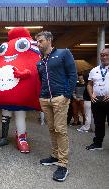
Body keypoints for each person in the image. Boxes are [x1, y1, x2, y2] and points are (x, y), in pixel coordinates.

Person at [36, 31, 77, 182]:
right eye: (37, 42)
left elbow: (72, 74)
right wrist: (42, 96)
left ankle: (63, 164)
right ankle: (54, 156)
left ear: (49, 40)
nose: (39, 44)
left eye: (41, 41)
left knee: (60, 130)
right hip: (45, 99)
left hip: (60, 98)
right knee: (52, 128)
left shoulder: (63, 53)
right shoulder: (40, 62)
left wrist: (66, 95)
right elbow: (42, 80)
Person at [85, 48, 109, 150]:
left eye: (106, 55)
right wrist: (91, 95)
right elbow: (89, 84)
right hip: (96, 100)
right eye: (102, 55)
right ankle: (97, 144)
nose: (104, 57)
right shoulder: (94, 70)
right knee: (98, 123)